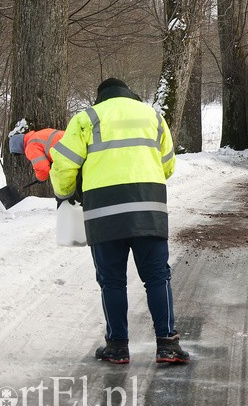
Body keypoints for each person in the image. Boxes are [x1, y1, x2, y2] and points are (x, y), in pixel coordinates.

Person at [49, 78, 190, 365]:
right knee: (157, 277)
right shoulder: (153, 116)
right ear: (129, 94)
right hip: (148, 209)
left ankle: (117, 346)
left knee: (112, 281)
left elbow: (64, 164)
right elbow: (168, 166)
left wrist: (64, 194)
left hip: (103, 213)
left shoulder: (86, 118)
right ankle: (167, 344)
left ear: (100, 97)